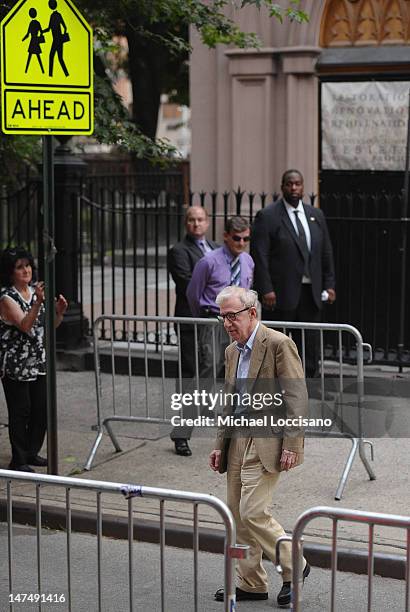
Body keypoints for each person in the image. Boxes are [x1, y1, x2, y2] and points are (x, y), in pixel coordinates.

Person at [209, 286, 310, 606]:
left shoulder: (279, 343)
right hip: (236, 440)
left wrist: (293, 443)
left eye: (232, 316)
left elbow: (297, 397)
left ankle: (296, 566)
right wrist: (218, 444)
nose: (226, 323)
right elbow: (229, 401)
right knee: (237, 515)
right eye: (222, 317)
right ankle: (251, 582)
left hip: (267, 440)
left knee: (253, 512)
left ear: (252, 313)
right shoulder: (232, 351)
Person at [251, 169, 336, 379]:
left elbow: (325, 252)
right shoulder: (268, 216)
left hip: (311, 292)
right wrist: (266, 289)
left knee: (309, 345)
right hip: (279, 295)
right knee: (276, 345)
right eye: (289, 184)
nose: (294, 188)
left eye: (298, 184)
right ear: (282, 187)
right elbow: (259, 256)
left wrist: (329, 284)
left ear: (303, 187)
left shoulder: (316, 215)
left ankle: (307, 386)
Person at [0, 247, 68, 472]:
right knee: (21, 411)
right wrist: (38, 303)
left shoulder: (35, 292)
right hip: (16, 365)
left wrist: (58, 313)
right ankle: (18, 459)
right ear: (10, 272)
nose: (26, 270)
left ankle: (31, 452)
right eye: (19, 267)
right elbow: (26, 325)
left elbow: (48, 326)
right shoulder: (7, 298)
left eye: (27, 265)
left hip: (38, 361)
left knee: (41, 408)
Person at [168, 206, 218, 456]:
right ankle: (181, 433)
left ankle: (203, 404)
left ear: (207, 223)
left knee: (211, 365)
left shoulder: (217, 248)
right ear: (186, 223)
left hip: (215, 321)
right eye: (191, 220)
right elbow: (188, 283)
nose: (196, 224)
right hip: (191, 319)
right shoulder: (179, 251)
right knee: (191, 372)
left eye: (200, 219)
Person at [186, 216, 254, 379]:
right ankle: (200, 404)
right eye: (237, 238)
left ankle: (237, 404)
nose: (242, 243)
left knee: (240, 366)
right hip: (215, 320)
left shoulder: (248, 261)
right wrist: (204, 319)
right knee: (210, 364)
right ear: (226, 236)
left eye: (246, 238)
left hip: (240, 321)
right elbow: (193, 294)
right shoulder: (208, 261)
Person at [43, 0, 69, 77]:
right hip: (59, 40)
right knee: (59, 58)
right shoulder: (58, 15)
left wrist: (42, 31)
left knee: (52, 56)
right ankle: (66, 74)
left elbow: (49, 28)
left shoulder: (53, 16)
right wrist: (63, 34)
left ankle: (51, 75)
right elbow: (65, 27)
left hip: (56, 40)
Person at [22, 8, 45, 74]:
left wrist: (23, 39)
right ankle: (42, 70)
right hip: (36, 41)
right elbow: (41, 32)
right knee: (37, 57)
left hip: (33, 41)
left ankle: (26, 70)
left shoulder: (31, 23)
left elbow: (27, 34)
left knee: (30, 56)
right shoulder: (38, 23)